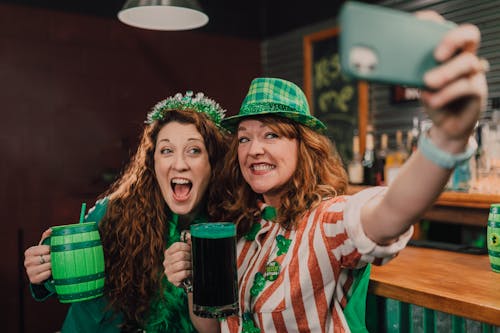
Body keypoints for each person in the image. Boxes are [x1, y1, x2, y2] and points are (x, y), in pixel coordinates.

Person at [165, 13, 488, 333]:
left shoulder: (326, 222)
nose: (253, 149)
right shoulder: (239, 226)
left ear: (303, 147)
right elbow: (212, 329)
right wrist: (194, 281)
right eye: (245, 138)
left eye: (271, 135)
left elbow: (392, 212)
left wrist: (446, 139)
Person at [23, 91, 228, 332]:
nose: (179, 163)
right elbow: (69, 269)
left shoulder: (225, 228)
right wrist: (45, 268)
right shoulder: (116, 212)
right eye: (166, 150)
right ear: (153, 162)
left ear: (213, 161)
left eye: (194, 150)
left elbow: (214, 326)